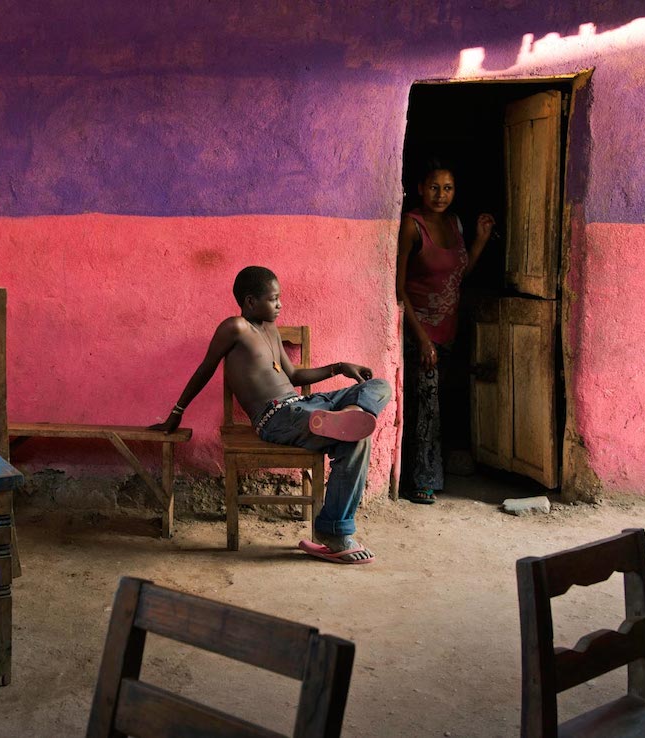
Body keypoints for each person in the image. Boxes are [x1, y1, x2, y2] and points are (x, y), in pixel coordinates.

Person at [150, 266, 392, 564]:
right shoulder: (234, 327)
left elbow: (294, 374)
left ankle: (353, 413)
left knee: (379, 387)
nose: (280, 305)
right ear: (251, 301)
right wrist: (177, 412)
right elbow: (206, 368)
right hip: (276, 417)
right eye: (274, 299)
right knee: (357, 441)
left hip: (308, 405)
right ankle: (335, 532)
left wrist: (340, 367)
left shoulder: (271, 329)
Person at [396, 160, 494, 504]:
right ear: (421, 188)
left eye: (448, 188)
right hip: (418, 332)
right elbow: (399, 288)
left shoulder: (454, 223)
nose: (441, 195)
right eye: (434, 187)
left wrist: (479, 241)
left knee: (440, 404)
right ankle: (418, 481)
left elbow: (457, 276)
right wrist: (421, 338)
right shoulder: (411, 225)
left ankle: (432, 474)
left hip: (448, 330)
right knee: (424, 406)